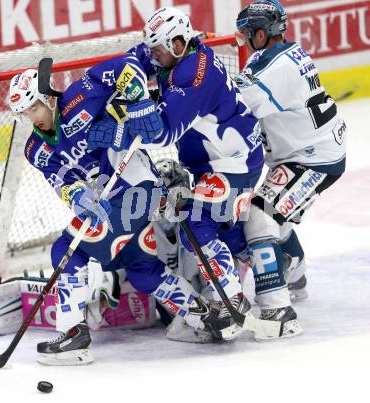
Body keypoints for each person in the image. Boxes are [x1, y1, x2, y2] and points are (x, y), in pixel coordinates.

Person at [8, 56, 229, 365]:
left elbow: (126, 65)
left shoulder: (79, 97)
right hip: (114, 203)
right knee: (143, 272)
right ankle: (206, 318)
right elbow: (61, 179)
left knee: (66, 251)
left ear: (47, 98)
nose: (33, 118)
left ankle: (73, 336)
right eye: (24, 114)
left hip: (136, 188)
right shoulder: (36, 149)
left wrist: (137, 97)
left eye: (34, 108)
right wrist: (78, 197)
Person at [88, 6, 265, 341]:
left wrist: (121, 125)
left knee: (195, 224)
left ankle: (233, 299)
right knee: (204, 223)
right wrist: (132, 76)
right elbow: (135, 58)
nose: (153, 55)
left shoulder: (194, 77)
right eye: (153, 49)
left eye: (158, 50)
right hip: (211, 163)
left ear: (179, 43)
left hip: (234, 164)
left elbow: (164, 132)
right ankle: (271, 267)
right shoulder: (177, 53)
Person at [234, 0, 346, 338]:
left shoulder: (276, 67)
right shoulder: (280, 55)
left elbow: (237, 102)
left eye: (245, 34)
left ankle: (279, 311)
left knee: (260, 216)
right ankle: (294, 271)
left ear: (260, 32)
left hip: (312, 157)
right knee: (273, 216)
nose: (242, 41)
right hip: (308, 150)